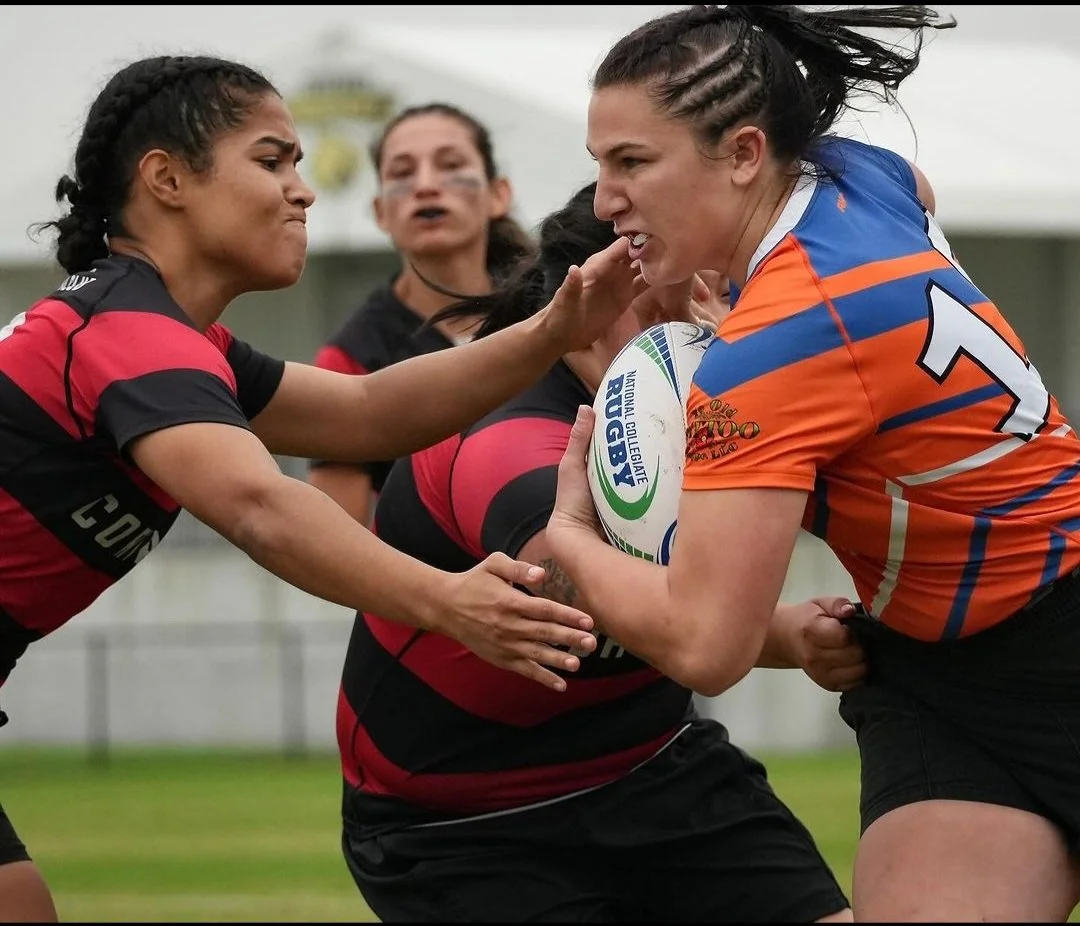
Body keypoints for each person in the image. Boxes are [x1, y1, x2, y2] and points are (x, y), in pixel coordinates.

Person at [0, 54, 641, 921]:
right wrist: (452, 601)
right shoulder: (128, 333)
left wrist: (549, 331)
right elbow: (260, 506)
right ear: (167, 178)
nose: (302, 190)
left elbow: (371, 412)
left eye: (300, 163)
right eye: (272, 161)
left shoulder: (175, 339)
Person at [543, 5, 1080, 922]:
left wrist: (570, 535)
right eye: (600, 164)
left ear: (745, 153)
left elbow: (705, 646)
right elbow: (915, 194)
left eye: (632, 163)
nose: (604, 201)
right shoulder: (858, 177)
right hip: (937, 675)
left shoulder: (781, 345)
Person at [335, 180, 864, 924]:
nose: (703, 317)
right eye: (667, 300)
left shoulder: (706, 397)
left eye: (714, 289)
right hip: (461, 823)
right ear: (587, 311)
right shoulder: (503, 433)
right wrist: (778, 632)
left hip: (656, 766)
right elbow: (575, 600)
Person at [309, 102, 534, 526]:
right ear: (380, 212)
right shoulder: (351, 358)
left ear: (498, 194)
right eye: (401, 173)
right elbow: (336, 543)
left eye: (450, 165)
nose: (426, 185)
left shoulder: (552, 315)